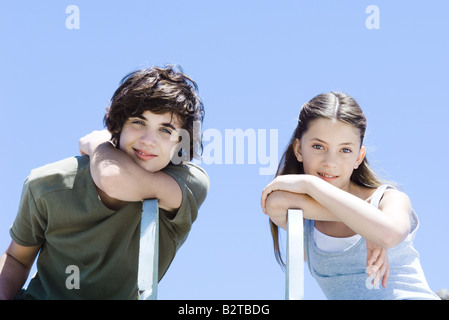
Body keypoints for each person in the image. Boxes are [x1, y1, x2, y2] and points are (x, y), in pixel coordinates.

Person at [0, 65, 209, 300]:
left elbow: (112, 179)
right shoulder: (49, 184)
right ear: (117, 126)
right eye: (138, 122)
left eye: (165, 130)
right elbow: (17, 258)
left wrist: (98, 145)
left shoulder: (189, 182)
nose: (148, 141)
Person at [261, 92, 440, 300]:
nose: (330, 161)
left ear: (358, 157)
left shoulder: (388, 200)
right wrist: (368, 223)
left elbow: (390, 233)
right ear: (299, 149)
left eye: (345, 150)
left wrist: (309, 183)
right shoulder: (307, 220)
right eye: (318, 147)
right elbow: (275, 202)